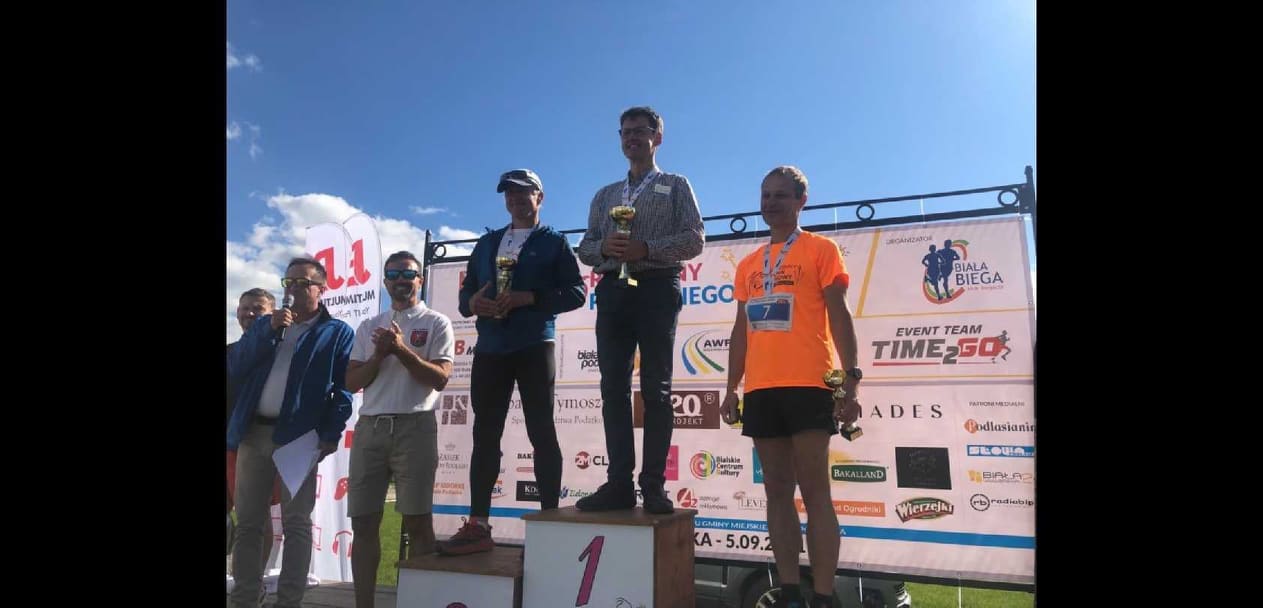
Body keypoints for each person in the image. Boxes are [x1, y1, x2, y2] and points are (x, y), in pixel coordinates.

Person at [718, 166, 863, 608]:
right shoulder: (748, 264)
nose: (771, 203)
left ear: (801, 201)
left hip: (809, 382)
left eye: (781, 195)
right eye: (765, 195)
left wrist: (852, 379)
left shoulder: (821, 249)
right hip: (761, 389)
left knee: (816, 491)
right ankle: (789, 592)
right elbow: (740, 331)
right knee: (776, 491)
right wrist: (731, 387)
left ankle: (824, 595)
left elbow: (839, 314)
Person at [438, 169, 586, 555]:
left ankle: (549, 521)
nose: (516, 199)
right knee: (485, 435)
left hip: (535, 344)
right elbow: (466, 295)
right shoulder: (487, 242)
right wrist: (473, 303)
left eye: (524, 193)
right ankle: (478, 524)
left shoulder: (554, 242)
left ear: (540, 197)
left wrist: (529, 298)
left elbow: (576, 292)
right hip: (491, 347)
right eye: (510, 194)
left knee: (541, 431)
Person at [575, 106, 704, 513]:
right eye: (625, 132)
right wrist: (604, 248)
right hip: (613, 290)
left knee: (656, 389)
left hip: (656, 286)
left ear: (657, 137)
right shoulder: (605, 195)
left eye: (640, 131)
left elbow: (695, 239)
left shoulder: (675, 184)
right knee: (612, 388)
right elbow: (585, 248)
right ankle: (618, 484)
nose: (631, 137)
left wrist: (645, 248)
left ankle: (653, 486)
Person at [227, 257, 355, 608]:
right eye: (288, 282)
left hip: (300, 439)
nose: (294, 289)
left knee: (296, 523)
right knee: (249, 523)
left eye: (302, 282)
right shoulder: (266, 325)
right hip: (254, 434)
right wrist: (268, 330)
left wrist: (329, 434)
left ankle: (289, 601)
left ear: (321, 289)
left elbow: (344, 388)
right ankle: (245, 599)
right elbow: (235, 367)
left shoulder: (337, 332)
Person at [345, 250, 455, 607]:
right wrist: (380, 354)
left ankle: (420, 601)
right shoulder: (369, 326)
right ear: (385, 282)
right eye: (393, 275)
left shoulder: (436, 322)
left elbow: (439, 379)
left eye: (408, 274)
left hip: (414, 426)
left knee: (418, 522)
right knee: (363, 523)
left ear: (419, 280)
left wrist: (401, 350)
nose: (400, 280)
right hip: (371, 428)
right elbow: (352, 382)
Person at [226, 289, 282, 570]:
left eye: (257, 308)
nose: (249, 313)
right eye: (244, 307)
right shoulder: (230, 351)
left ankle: (251, 582)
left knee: (255, 517)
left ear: (273, 313)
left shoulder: (280, 353)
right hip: (229, 443)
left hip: (253, 442)